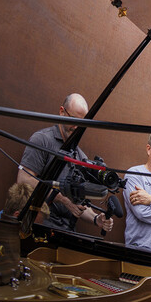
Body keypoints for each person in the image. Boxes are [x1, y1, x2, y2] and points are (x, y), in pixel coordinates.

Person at [16, 93, 114, 234]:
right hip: (38, 226)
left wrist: (96, 219)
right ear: (62, 112)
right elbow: (24, 180)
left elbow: (80, 205)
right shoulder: (42, 140)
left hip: (67, 232)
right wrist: (63, 199)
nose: (76, 127)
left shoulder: (81, 157)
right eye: (74, 120)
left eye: (82, 124)